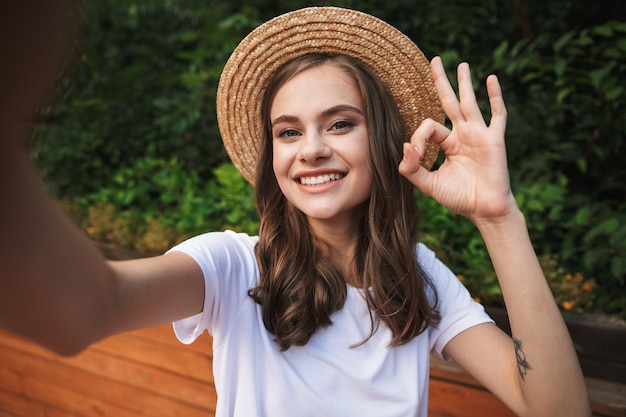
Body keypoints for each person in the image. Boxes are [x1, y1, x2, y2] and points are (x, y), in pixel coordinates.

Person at [0, 5, 591, 417]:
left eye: (340, 123)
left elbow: (558, 409)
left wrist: (498, 218)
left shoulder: (419, 275)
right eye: (288, 131)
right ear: (272, 156)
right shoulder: (231, 267)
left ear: (383, 141)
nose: (311, 149)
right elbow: (91, 306)